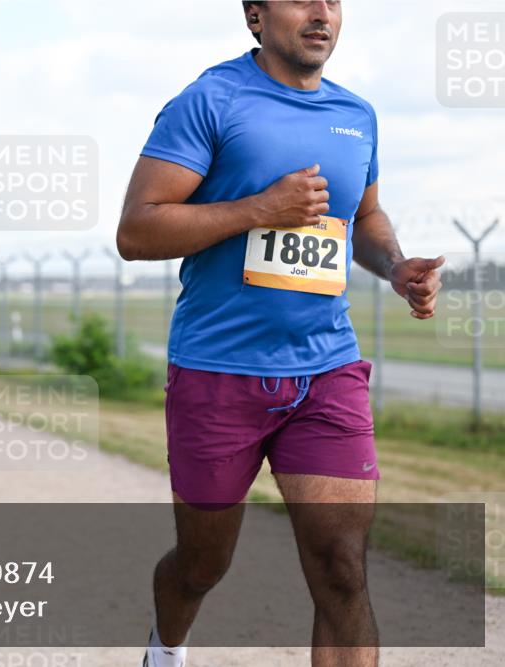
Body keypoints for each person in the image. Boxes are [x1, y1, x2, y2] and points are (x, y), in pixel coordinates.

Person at [116, 3, 445, 666]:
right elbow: (137, 230)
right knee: (202, 564)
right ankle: (165, 647)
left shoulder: (358, 115)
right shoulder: (211, 100)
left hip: (326, 369)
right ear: (256, 16)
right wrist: (261, 209)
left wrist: (395, 266)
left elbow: (366, 218)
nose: (322, 12)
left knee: (341, 567)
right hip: (217, 371)